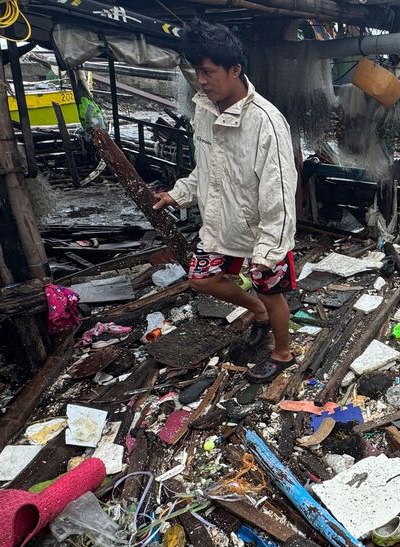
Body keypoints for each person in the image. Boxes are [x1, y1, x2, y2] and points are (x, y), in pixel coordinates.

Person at [153, 20, 298, 383]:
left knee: (273, 289)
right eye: (196, 72)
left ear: (235, 70)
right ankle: (256, 310)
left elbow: (279, 189)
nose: (201, 81)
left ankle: (282, 353)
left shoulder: (266, 121)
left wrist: (269, 250)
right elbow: (205, 167)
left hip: (260, 225)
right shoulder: (203, 109)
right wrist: (180, 193)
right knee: (201, 279)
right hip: (220, 220)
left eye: (208, 72)